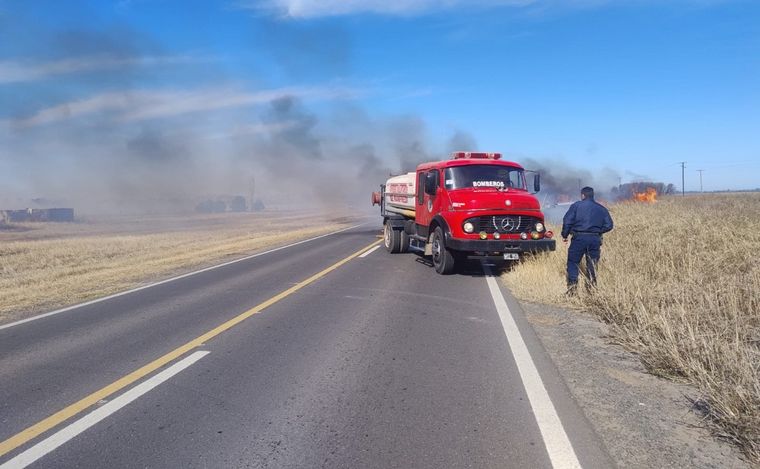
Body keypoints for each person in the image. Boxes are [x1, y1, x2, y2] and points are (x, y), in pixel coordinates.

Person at [561, 186, 613, 294]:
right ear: (593, 195)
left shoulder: (576, 206)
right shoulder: (601, 208)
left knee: (573, 262)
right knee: (592, 264)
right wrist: (598, 231)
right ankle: (591, 290)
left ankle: (572, 289)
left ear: (582, 195)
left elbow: (567, 221)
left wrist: (565, 235)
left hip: (579, 238)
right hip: (595, 239)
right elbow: (609, 225)